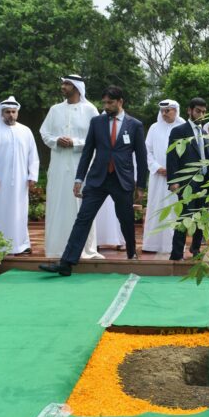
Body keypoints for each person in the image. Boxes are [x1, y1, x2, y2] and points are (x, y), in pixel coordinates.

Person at [39, 86, 147, 276]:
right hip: (98, 179)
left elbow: (141, 157)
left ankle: (132, 253)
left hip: (122, 180)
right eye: (104, 102)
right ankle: (66, 262)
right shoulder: (97, 122)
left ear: (120, 102)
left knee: (126, 219)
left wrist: (141, 185)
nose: (106, 106)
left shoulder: (135, 125)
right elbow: (87, 152)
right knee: (83, 219)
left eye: (110, 102)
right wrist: (79, 178)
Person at [40, 75, 102, 259]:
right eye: (63, 83)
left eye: (67, 84)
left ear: (76, 87)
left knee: (81, 204)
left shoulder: (90, 110)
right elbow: (45, 132)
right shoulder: (55, 109)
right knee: (57, 204)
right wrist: (56, 140)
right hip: (58, 165)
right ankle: (56, 248)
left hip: (81, 166)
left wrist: (75, 142)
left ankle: (83, 249)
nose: (63, 87)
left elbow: (97, 138)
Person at [0, 96, 39, 255]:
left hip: (20, 181)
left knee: (19, 211)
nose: (11, 115)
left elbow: (32, 154)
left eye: (13, 112)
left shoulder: (25, 130)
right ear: (2, 113)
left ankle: (20, 245)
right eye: (7, 112)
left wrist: (32, 175)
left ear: (17, 113)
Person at [166, 98, 209, 261]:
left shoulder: (204, 133)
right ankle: (176, 253)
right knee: (185, 217)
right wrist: (173, 181)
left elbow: (206, 157)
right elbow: (172, 157)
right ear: (189, 110)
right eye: (198, 111)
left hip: (204, 182)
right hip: (186, 183)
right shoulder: (179, 131)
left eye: (204, 112)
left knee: (202, 217)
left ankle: (196, 248)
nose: (201, 115)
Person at [142, 99, 186, 253]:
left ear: (176, 110)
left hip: (177, 178)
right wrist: (156, 167)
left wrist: (175, 169)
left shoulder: (183, 126)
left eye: (168, 110)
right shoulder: (154, 128)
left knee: (174, 209)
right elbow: (147, 151)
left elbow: (188, 153)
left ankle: (171, 246)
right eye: (162, 111)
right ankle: (151, 245)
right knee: (156, 207)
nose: (164, 113)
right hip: (157, 175)